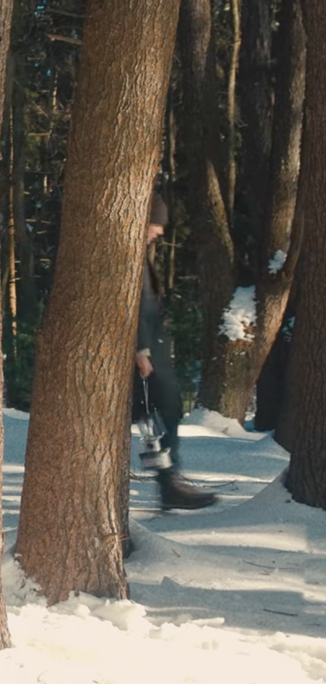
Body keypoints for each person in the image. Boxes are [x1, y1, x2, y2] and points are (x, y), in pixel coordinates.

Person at [135, 194, 217, 511]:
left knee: (164, 413)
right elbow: (135, 308)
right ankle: (170, 483)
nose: (158, 232)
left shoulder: (141, 256)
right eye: (154, 225)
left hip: (153, 348)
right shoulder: (130, 258)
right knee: (161, 412)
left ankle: (170, 481)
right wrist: (139, 350)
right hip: (145, 352)